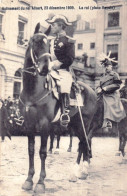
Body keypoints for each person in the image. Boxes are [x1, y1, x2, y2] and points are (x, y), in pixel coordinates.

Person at [46, 15, 75, 125]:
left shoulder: (69, 41)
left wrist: (56, 64)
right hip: (50, 69)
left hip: (63, 70)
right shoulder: (51, 41)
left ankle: (64, 112)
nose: (51, 27)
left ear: (61, 26)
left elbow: (70, 58)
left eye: (53, 25)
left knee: (64, 85)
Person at [96, 55, 126, 128]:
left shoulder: (114, 74)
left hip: (112, 94)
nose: (106, 68)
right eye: (105, 66)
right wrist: (98, 89)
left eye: (108, 66)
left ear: (111, 67)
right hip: (102, 94)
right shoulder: (102, 76)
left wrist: (106, 88)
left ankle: (108, 121)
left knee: (108, 103)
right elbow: (99, 85)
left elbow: (117, 85)